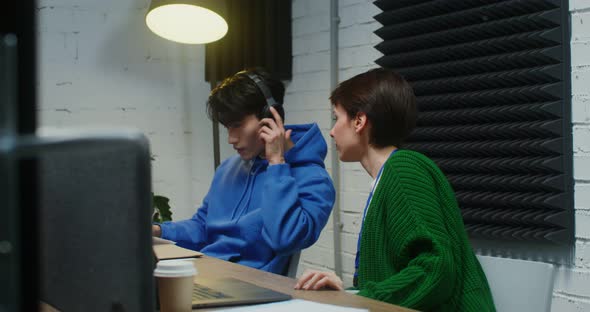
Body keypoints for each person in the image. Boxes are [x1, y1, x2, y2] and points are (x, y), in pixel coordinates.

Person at [294, 68, 495, 311]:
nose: (333, 131)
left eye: (337, 119)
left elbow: (436, 268)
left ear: (359, 121)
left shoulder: (404, 169)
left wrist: (358, 299)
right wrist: (351, 292)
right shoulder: (389, 176)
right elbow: (396, 279)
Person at [153, 68, 335, 275]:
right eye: (227, 128)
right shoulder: (228, 169)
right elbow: (204, 226)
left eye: (237, 126)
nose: (231, 138)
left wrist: (276, 164)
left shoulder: (314, 180)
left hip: (253, 286)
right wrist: (159, 231)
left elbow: (285, 239)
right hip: (208, 273)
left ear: (270, 117)